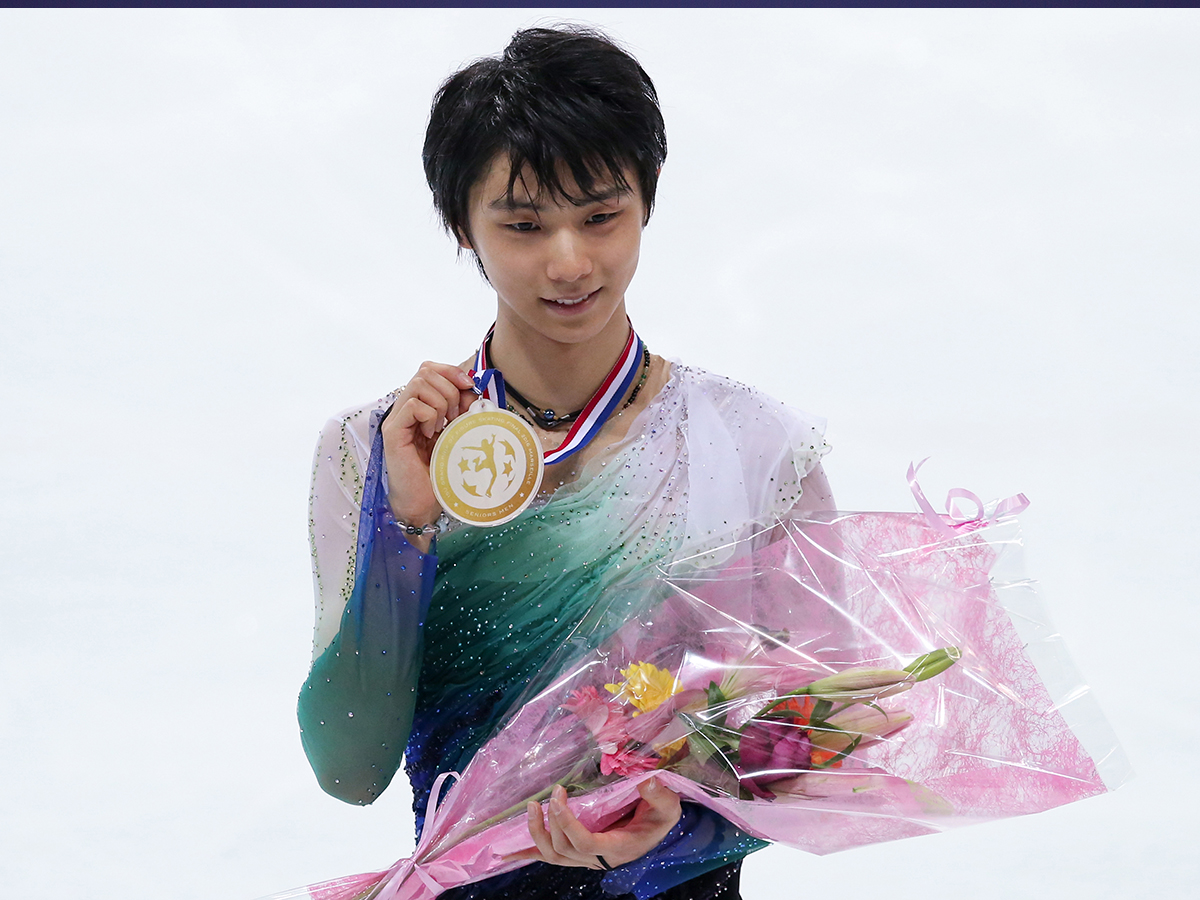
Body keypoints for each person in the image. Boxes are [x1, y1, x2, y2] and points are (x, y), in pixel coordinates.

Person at [298, 25, 832, 900]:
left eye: (600, 217)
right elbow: (348, 767)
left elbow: (820, 746)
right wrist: (403, 529)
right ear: (462, 227)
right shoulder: (373, 450)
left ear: (647, 201)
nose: (570, 262)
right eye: (523, 225)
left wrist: (670, 832)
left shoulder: (754, 445)